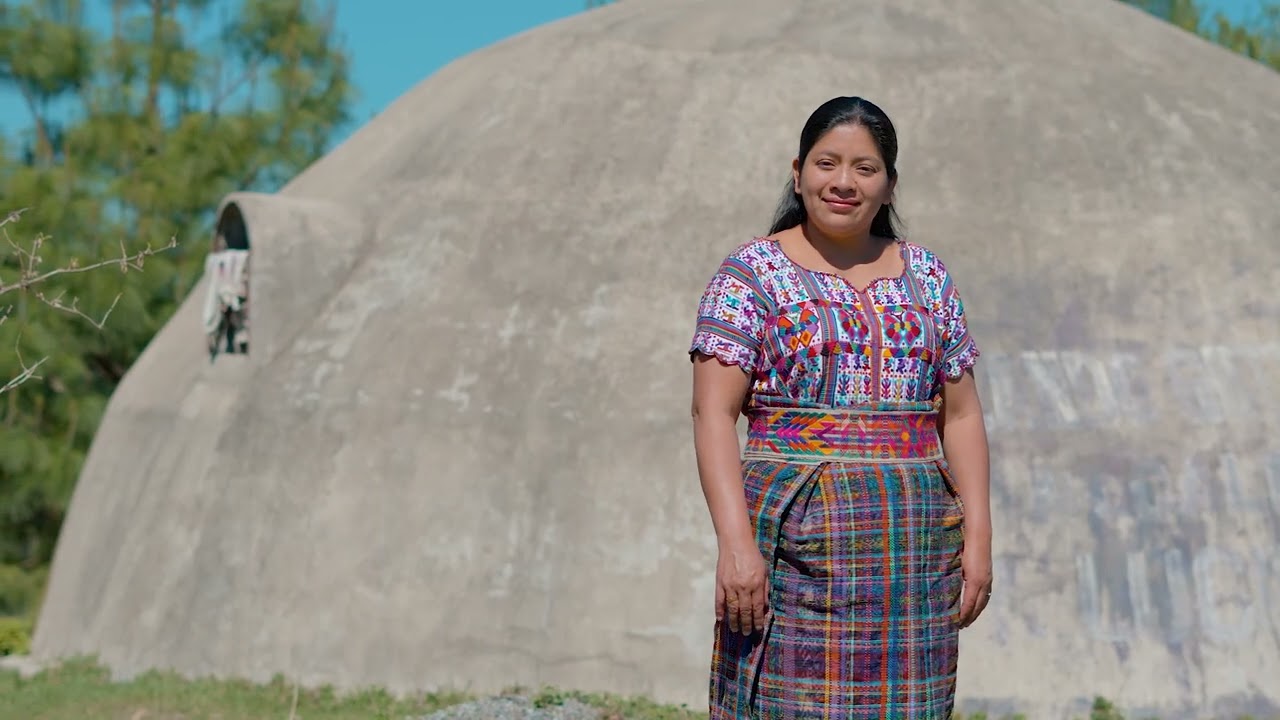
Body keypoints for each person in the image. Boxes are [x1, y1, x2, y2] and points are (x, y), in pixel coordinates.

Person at [688, 96, 992, 719]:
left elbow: (960, 415)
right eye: (827, 163)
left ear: (889, 184)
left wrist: (979, 537)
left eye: (865, 168)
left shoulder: (928, 277)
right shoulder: (752, 274)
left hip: (915, 552)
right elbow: (711, 414)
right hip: (792, 548)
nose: (844, 182)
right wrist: (735, 545)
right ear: (798, 173)